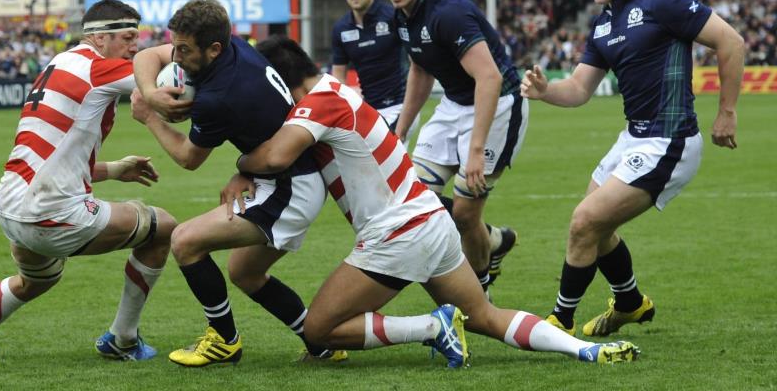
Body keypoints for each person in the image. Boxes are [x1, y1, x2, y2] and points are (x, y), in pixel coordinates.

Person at [230, 35, 639, 367]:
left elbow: (276, 156)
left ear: (277, 80)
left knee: (319, 330)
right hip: (430, 220)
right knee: (484, 318)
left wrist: (241, 163)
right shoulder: (333, 93)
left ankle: (431, 327)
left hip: (398, 231)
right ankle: (582, 350)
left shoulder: (318, 104)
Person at [520, 0, 743, 337]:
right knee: (597, 229)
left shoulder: (663, 2)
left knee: (584, 221)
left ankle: (559, 322)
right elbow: (578, 89)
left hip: (669, 140)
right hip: (633, 138)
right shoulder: (604, 24)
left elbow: (731, 42)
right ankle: (630, 304)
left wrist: (726, 113)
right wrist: (545, 90)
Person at [0, 0, 179, 360]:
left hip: (10, 207)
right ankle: (122, 339)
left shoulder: (58, 63)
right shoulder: (99, 70)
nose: (134, 48)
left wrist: (114, 169)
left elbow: (53, 158)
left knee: (36, 280)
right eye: (127, 38)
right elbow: (156, 80)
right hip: (51, 213)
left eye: (136, 39)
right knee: (163, 228)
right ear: (99, 38)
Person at [131, 0, 342, 366]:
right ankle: (321, 342)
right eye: (175, 46)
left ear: (213, 49)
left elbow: (188, 158)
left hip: (290, 189)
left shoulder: (219, 96)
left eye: (184, 50)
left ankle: (223, 341)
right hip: (288, 174)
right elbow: (146, 58)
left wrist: (149, 116)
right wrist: (150, 91)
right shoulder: (232, 45)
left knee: (185, 241)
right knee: (245, 272)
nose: (175, 57)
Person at [378, 0, 522, 291]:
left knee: (465, 215)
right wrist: (401, 128)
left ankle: (480, 288)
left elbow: (490, 77)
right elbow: (420, 70)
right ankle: (494, 241)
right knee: (414, 196)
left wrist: (474, 151)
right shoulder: (401, 16)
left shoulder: (448, 12)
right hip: (454, 105)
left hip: (496, 104)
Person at [330, 0, 418, 143]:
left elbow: (416, 62)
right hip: (369, 110)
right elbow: (338, 75)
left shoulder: (393, 16)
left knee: (386, 163)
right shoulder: (340, 28)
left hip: (402, 105)